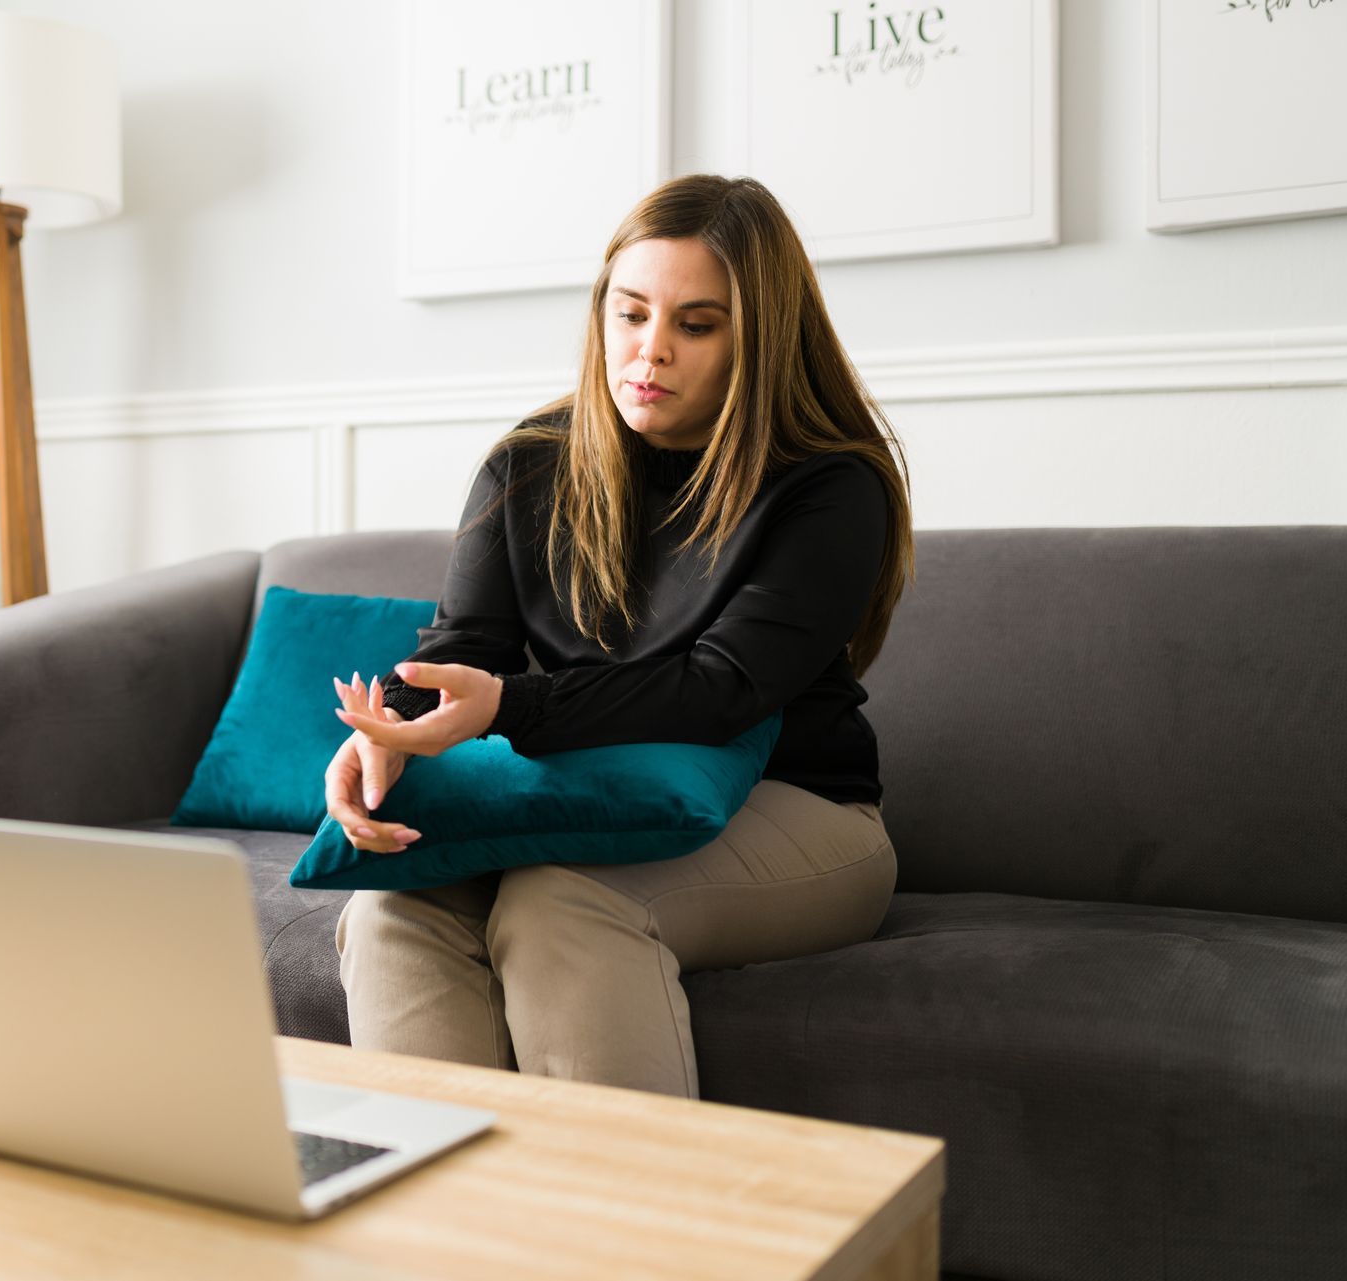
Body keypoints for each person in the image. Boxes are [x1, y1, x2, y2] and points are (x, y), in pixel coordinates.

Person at [320, 173, 917, 1100]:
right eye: (630, 313)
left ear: (757, 339)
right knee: (396, 902)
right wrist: (383, 734)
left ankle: (625, 1238)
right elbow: (461, 646)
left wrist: (511, 707)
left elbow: (721, 686)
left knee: (562, 903)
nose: (651, 350)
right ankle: (439, 1231)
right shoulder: (528, 464)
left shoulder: (830, 486)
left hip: (807, 811)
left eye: (697, 323)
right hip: (589, 793)